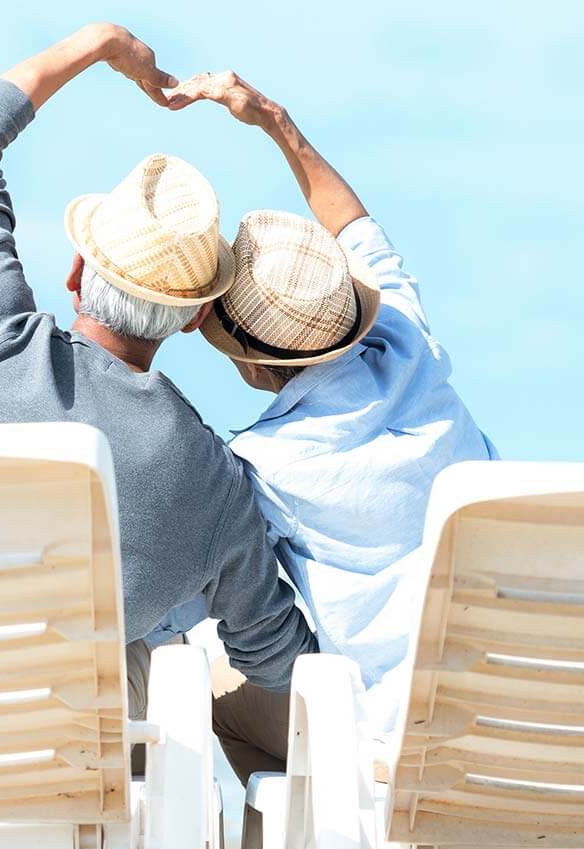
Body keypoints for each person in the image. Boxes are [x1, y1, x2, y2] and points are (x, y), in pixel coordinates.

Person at [0, 27, 318, 722]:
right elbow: (275, 656)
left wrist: (98, 44)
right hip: (76, 765)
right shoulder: (211, 475)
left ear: (77, 270)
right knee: (152, 640)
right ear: (194, 319)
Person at [162, 70, 499, 779]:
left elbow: (184, 596)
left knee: (209, 683)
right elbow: (356, 227)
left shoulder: (262, 468)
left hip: (399, 743)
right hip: (519, 702)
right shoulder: (411, 347)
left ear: (251, 363)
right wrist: (275, 121)